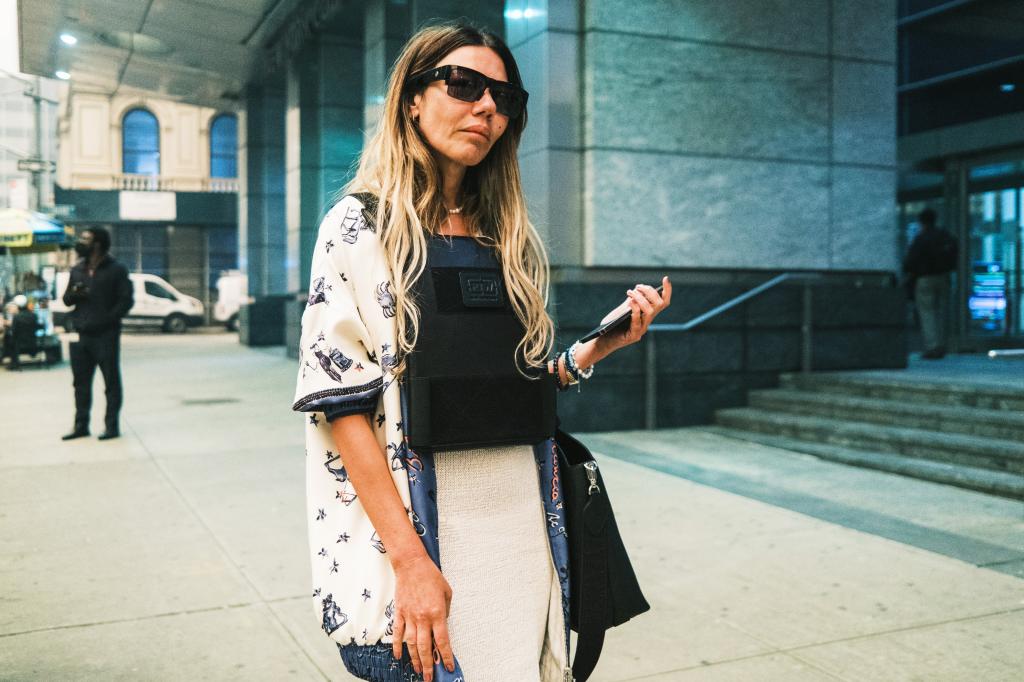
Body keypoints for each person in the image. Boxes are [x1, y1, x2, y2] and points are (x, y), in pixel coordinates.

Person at [291, 23, 671, 682]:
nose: (486, 108)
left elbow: (514, 389)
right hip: (429, 534)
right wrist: (410, 563)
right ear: (412, 97)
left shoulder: (505, 237)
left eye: (505, 98)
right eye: (463, 85)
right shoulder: (359, 225)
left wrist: (602, 345)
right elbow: (341, 407)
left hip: (523, 525)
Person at [61, 226, 134, 440]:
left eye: (86, 239)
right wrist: (76, 292)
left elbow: (126, 301)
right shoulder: (77, 270)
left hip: (106, 336)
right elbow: (66, 300)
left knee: (111, 382)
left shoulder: (117, 269)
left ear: (98, 244)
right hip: (81, 335)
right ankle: (81, 426)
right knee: (80, 384)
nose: (81, 242)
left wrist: (108, 320)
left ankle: (111, 427)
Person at [902, 208, 957, 359]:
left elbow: (910, 261)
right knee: (942, 311)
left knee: (927, 313)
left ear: (922, 222)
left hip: (925, 278)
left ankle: (933, 346)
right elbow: (955, 257)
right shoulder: (945, 236)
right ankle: (943, 344)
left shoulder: (922, 238)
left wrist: (910, 272)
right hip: (944, 277)